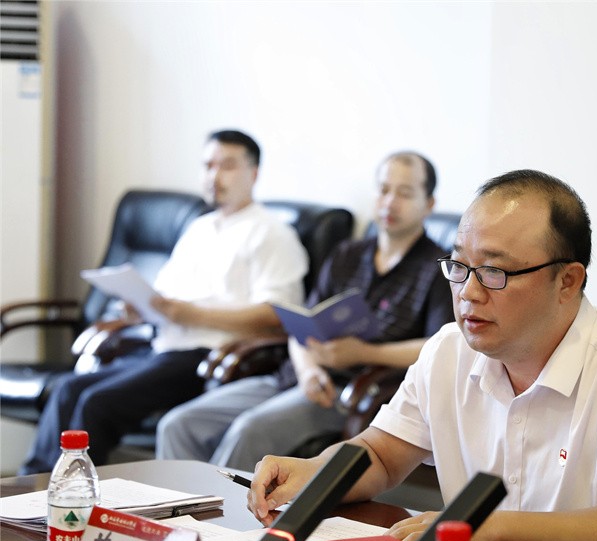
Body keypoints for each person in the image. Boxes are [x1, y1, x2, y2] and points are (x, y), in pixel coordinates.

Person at [249, 170, 597, 541]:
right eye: (459, 266)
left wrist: (493, 528)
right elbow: (381, 455)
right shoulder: (449, 351)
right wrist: (313, 471)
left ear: (568, 280)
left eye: (493, 271)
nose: (467, 291)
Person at [20, 129, 308, 474]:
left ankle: (74, 491)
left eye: (227, 166)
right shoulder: (198, 228)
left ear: (254, 173)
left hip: (208, 358)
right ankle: (31, 485)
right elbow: (165, 297)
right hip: (161, 346)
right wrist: (139, 308)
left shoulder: (272, 233)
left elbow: (277, 315)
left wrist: (190, 314)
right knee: (67, 388)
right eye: (208, 165)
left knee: (97, 402)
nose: (214, 175)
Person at [156, 151, 454, 471]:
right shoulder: (348, 254)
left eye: (404, 193)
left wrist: (364, 353)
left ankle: (223, 506)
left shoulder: (438, 269)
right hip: (295, 377)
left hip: (350, 392)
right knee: (178, 423)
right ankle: (179, 504)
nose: (389, 202)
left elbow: (439, 346)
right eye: (383, 190)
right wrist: (308, 370)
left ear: (429, 204)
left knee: (249, 430)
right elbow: (301, 325)